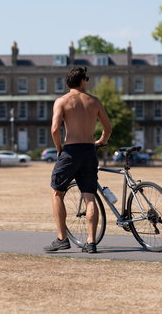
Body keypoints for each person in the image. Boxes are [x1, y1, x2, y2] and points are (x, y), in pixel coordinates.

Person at [43, 66, 112, 253]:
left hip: (71, 151)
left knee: (57, 192)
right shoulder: (94, 101)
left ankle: (61, 238)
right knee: (89, 196)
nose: (87, 82)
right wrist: (101, 141)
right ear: (81, 81)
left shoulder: (62, 101)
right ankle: (91, 242)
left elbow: (55, 129)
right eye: (86, 79)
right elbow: (108, 127)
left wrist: (59, 149)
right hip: (89, 151)